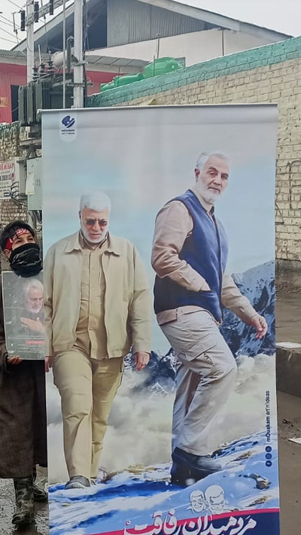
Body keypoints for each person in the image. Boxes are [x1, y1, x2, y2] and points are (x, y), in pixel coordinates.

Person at [151, 152, 268, 486]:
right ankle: (190, 451)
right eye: (212, 172)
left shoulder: (216, 226)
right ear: (197, 173)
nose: (217, 180)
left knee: (189, 386)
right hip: (181, 310)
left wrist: (250, 314)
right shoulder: (179, 209)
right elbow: (162, 257)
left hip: (200, 312)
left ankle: (182, 469)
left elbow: (222, 282)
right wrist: (200, 284)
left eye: (224, 176)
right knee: (222, 368)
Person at [44, 191, 152, 489]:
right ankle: (78, 475)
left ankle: (88, 479)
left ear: (109, 220)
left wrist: (142, 343)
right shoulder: (58, 252)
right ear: (80, 216)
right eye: (90, 221)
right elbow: (45, 304)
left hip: (112, 347)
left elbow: (139, 299)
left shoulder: (127, 252)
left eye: (102, 222)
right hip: (69, 344)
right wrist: (44, 346)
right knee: (78, 405)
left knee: (99, 416)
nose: (96, 227)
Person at [0, 221, 48, 529]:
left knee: (41, 427)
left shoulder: (51, 282)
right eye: (17, 241)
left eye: (29, 238)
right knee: (16, 431)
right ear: (7, 252)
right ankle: (23, 496)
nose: (26, 243)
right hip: (12, 375)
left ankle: (33, 482)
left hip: (44, 372)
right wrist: (5, 354)